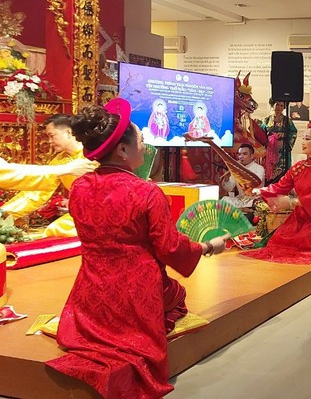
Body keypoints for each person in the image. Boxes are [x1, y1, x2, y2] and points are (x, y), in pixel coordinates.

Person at [46, 99, 229, 398]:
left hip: (90, 291)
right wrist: (207, 246)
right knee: (177, 296)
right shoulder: (146, 192)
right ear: (122, 149)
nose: (144, 146)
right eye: (141, 140)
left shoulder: (79, 188)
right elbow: (170, 248)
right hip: (137, 290)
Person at [243, 116, 311, 265]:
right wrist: (260, 191)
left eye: (307, 139)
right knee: (282, 237)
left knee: (308, 237)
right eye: (303, 138)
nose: (302, 142)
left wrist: (291, 202)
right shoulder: (300, 167)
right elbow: (281, 186)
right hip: (302, 215)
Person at [0, 114, 96, 237]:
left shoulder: (92, 155)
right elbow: (37, 193)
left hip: (103, 210)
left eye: (52, 136)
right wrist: (6, 213)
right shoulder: (59, 162)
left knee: (59, 231)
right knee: (53, 231)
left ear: (68, 132)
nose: (49, 141)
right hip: (81, 213)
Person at [259, 99, 298, 183]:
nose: (279, 107)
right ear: (273, 105)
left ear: (284, 107)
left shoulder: (287, 121)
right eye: (277, 105)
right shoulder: (266, 120)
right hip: (269, 150)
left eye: (281, 105)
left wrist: (284, 135)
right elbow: (261, 135)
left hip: (282, 152)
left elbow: (294, 132)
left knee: (283, 176)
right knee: (269, 174)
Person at [220, 143, 266, 210]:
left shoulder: (259, 168)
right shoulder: (236, 170)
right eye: (239, 154)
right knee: (224, 199)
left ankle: (241, 209)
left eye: (244, 154)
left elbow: (255, 184)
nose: (241, 157)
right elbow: (228, 188)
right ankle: (241, 209)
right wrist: (227, 178)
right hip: (240, 199)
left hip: (253, 199)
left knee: (256, 203)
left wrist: (241, 171)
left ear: (252, 156)